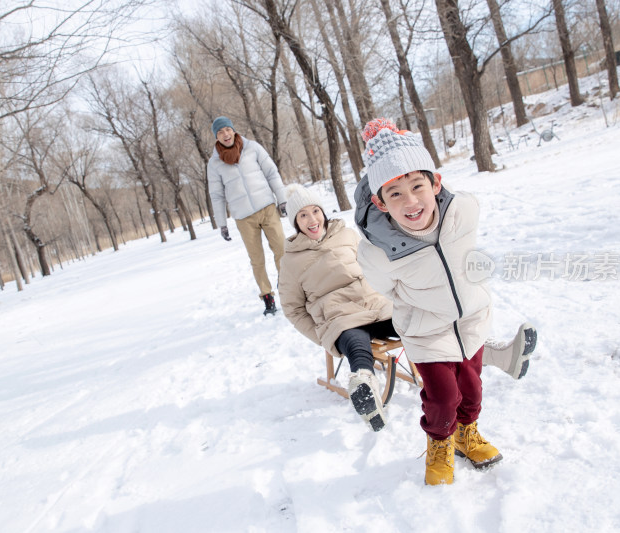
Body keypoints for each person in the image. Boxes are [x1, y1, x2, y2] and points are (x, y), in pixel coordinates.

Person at [353, 118, 536, 485]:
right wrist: (420, 305)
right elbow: (387, 290)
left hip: (470, 319)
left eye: (417, 186)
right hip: (426, 331)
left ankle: (466, 433)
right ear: (380, 202)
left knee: (471, 389)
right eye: (395, 194)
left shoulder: (462, 212)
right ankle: (439, 441)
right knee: (442, 398)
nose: (411, 201)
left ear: (435, 183)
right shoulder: (377, 253)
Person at [278, 183, 536, 437]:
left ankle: (500, 356)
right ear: (295, 223)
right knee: (357, 344)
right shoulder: (291, 259)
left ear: (323, 212)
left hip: (377, 304)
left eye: (315, 211)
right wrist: (321, 335)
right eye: (303, 215)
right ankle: (366, 386)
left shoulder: (346, 235)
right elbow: (293, 309)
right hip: (340, 318)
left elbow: (375, 263)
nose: (312, 219)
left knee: (428, 320)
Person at [208, 116, 288, 315]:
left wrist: (282, 199)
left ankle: (288, 288)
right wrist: (222, 224)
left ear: (233, 130)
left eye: (227, 129)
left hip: (267, 207)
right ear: (216, 137)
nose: (225, 134)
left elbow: (271, 172)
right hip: (243, 217)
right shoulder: (215, 163)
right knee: (257, 259)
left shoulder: (252, 148)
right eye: (220, 132)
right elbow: (216, 195)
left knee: (282, 249)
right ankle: (267, 296)